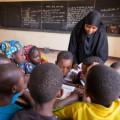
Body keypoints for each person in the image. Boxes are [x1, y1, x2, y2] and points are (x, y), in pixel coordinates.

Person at [53, 64, 120, 120]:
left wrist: (71, 98)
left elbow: (54, 110)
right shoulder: (118, 104)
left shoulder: (79, 109)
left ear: (86, 92)